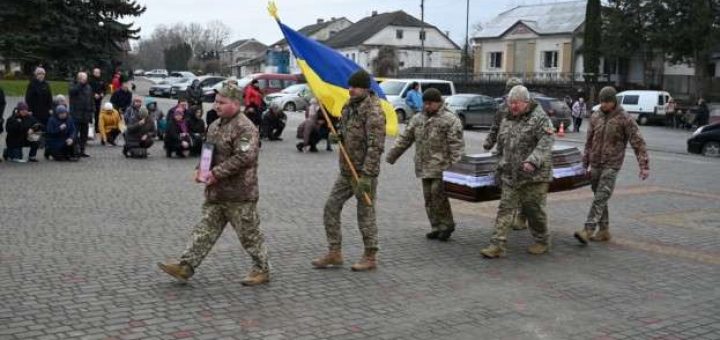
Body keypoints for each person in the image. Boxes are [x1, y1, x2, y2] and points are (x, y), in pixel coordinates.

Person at [157, 84, 270, 286]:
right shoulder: (215, 125)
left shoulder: (246, 128)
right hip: (216, 193)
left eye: (221, 102)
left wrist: (215, 174)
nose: (216, 105)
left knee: (249, 235)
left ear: (236, 104)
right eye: (216, 101)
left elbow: (244, 157)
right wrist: (200, 168)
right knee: (204, 231)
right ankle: (185, 266)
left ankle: (261, 269)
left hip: (239, 194)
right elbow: (208, 150)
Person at [311, 70, 386, 271]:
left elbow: (376, 147)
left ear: (365, 88)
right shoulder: (349, 106)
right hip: (346, 171)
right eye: (350, 86)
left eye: (355, 87)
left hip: (363, 174)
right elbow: (344, 130)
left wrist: (367, 176)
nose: (350, 90)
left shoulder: (374, 112)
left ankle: (370, 256)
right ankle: (334, 252)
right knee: (331, 207)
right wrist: (338, 137)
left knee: (365, 214)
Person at [480, 85, 555, 258]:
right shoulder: (507, 118)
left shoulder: (539, 118)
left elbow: (546, 142)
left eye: (517, 103)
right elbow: (502, 145)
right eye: (510, 103)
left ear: (526, 103)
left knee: (533, 211)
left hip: (534, 176)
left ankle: (543, 240)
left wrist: (533, 161)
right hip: (511, 175)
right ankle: (497, 245)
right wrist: (498, 165)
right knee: (505, 209)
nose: (513, 106)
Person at [386, 88, 465, 241]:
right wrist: (392, 155)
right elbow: (405, 138)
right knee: (428, 198)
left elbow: (456, 145)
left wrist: (457, 168)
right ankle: (435, 226)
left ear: (438, 103)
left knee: (438, 196)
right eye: (425, 103)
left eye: (430, 104)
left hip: (442, 166)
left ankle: (446, 225)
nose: (427, 106)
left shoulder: (450, 119)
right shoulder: (418, 119)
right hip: (424, 165)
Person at [574, 86, 650, 244]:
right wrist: (584, 162)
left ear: (613, 101)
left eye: (606, 102)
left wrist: (644, 166)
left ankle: (588, 230)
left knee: (601, 196)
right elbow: (589, 141)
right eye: (601, 101)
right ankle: (604, 231)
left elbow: (638, 142)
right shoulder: (595, 116)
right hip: (595, 163)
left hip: (612, 164)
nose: (603, 105)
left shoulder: (625, 118)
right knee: (599, 196)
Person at [483, 77, 528, 231]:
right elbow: (495, 127)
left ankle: (521, 216)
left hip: (522, 153)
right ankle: (508, 214)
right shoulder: (502, 108)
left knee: (522, 185)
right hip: (504, 152)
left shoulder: (528, 109)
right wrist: (489, 142)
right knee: (506, 184)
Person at [69, 72, 95, 157]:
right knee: (75, 133)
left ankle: (82, 150)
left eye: (85, 78)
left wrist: (91, 112)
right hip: (76, 114)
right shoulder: (73, 85)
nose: (84, 79)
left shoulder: (89, 87)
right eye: (83, 78)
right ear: (78, 78)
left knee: (84, 134)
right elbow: (72, 92)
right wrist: (80, 84)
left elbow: (91, 100)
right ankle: (74, 150)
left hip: (86, 114)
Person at [90, 68, 107, 133]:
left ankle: (96, 127)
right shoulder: (90, 80)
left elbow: (104, 89)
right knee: (91, 114)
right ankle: (90, 129)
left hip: (99, 100)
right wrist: (94, 94)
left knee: (97, 114)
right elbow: (88, 89)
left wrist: (103, 93)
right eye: (96, 72)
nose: (97, 74)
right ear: (93, 73)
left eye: (98, 72)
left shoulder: (102, 80)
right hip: (91, 100)